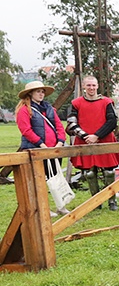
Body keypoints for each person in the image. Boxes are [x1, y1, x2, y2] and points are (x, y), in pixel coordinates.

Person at [66, 75, 119, 210]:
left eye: (93, 85)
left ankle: (112, 200)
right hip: (84, 141)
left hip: (104, 139)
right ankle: (96, 202)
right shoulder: (76, 103)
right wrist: (86, 136)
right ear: (84, 87)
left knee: (109, 172)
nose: (91, 88)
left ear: (97, 86)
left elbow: (112, 121)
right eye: (88, 85)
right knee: (89, 173)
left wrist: (97, 135)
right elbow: (71, 122)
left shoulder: (107, 102)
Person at [15, 80, 70, 215]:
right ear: (31, 93)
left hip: (52, 149)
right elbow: (26, 130)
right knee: (39, 180)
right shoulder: (24, 110)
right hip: (36, 150)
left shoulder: (49, 108)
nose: (41, 94)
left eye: (42, 91)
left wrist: (60, 141)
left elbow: (58, 125)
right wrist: (41, 144)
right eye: (38, 91)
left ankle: (61, 205)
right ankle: (42, 207)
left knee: (56, 178)